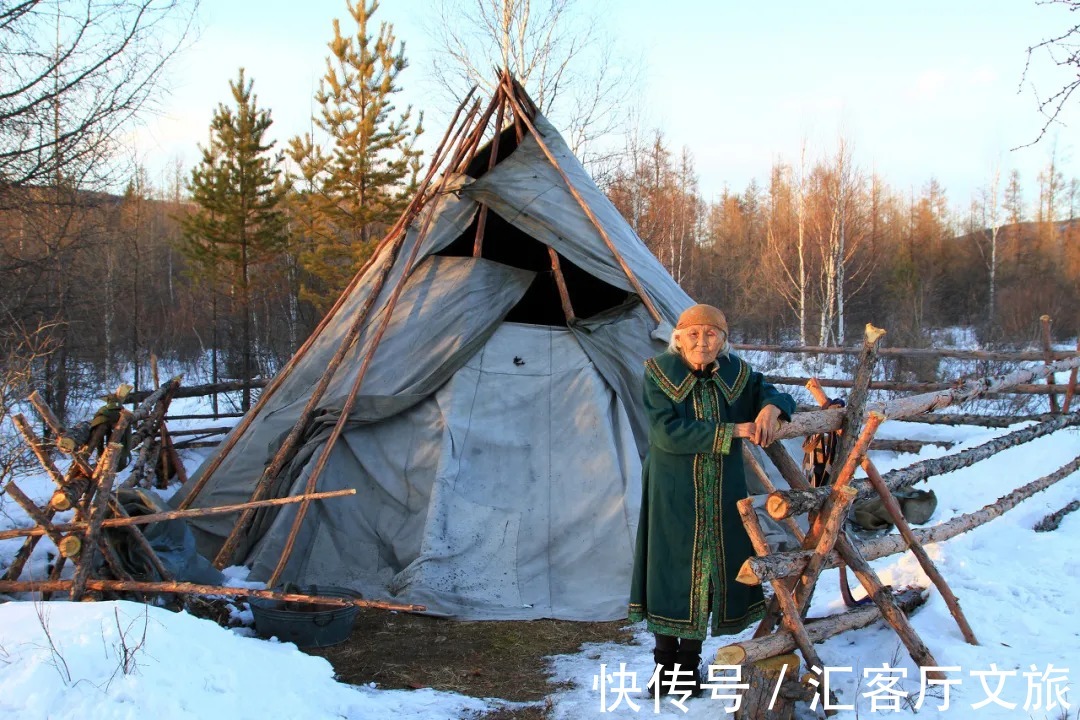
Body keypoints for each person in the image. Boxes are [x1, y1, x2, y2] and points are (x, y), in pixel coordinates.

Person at [628, 303, 796, 697]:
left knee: (710, 572)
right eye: (693, 334)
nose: (701, 341)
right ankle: (663, 666)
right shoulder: (658, 374)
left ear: (723, 339)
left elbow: (773, 392)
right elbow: (666, 433)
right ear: (679, 339)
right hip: (672, 489)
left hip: (723, 491)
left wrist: (772, 407)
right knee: (671, 571)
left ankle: (687, 669)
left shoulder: (738, 375)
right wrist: (733, 430)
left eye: (710, 334)